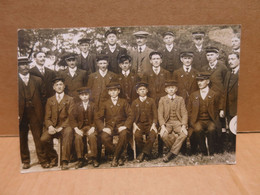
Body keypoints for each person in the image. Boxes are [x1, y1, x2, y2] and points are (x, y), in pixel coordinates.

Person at [18, 57, 49, 169]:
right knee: (22, 138)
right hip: (20, 114)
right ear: (18, 67)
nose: (25, 66)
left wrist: (42, 112)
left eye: (27, 64)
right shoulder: (13, 80)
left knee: (38, 137)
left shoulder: (37, 80)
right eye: (22, 64)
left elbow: (44, 97)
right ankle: (26, 160)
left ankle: (43, 160)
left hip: (35, 113)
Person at [95, 82, 134, 167]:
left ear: (118, 91)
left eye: (115, 90)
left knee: (124, 134)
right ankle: (118, 157)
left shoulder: (124, 102)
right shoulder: (105, 103)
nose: (113, 92)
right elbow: (98, 118)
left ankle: (115, 158)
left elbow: (131, 115)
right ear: (108, 92)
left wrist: (125, 126)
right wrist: (103, 128)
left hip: (121, 126)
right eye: (111, 91)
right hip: (109, 127)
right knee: (104, 137)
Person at [40, 77, 74, 170]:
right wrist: (50, 126)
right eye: (57, 85)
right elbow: (47, 117)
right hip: (53, 126)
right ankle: (54, 157)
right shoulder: (50, 100)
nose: (59, 87)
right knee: (43, 139)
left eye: (61, 84)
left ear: (64, 86)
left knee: (68, 133)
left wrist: (62, 127)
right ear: (53, 87)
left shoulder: (70, 99)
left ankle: (64, 161)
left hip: (65, 126)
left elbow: (71, 117)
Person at [187, 72, 221, 156]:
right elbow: (189, 111)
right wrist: (192, 121)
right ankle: (204, 152)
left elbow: (216, 109)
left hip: (210, 120)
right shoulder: (193, 95)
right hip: (198, 120)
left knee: (212, 129)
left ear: (208, 81)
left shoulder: (214, 94)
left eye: (202, 80)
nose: (199, 83)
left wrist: (215, 119)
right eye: (198, 81)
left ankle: (211, 151)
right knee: (198, 129)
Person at [158, 80, 188, 162]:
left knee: (184, 134)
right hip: (167, 123)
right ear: (166, 90)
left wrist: (184, 125)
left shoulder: (180, 99)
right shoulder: (162, 99)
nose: (171, 90)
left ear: (176, 89)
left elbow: (184, 113)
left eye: (173, 88)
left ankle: (171, 153)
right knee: (163, 135)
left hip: (178, 122)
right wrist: (163, 126)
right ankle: (176, 152)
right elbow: (160, 114)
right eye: (169, 88)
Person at [69, 87, 99, 168]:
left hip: (91, 127)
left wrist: (93, 127)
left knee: (92, 137)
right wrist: (76, 129)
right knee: (78, 137)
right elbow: (72, 118)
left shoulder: (93, 105)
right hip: (80, 127)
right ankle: (80, 159)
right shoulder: (76, 106)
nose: (84, 96)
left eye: (86, 94)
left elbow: (97, 118)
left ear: (89, 95)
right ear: (80, 96)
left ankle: (94, 158)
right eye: (82, 95)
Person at [131, 81, 158, 162]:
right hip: (139, 124)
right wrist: (134, 125)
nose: (142, 91)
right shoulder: (134, 102)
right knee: (137, 136)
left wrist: (154, 125)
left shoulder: (151, 101)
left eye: (144, 89)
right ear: (137, 91)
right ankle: (146, 153)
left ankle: (142, 154)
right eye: (140, 89)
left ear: (147, 91)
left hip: (149, 124)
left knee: (152, 135)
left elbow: (155, 115)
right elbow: (131, 116)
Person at [220, 52, 240, 151]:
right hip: (228, 107)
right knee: (231, 127)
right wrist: (222, 108)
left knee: (238, 128)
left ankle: (239, 147)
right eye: (229, 59)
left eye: (233, 59)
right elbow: (224, 92)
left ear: (239, 60)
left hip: (238, 107)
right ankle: (232, 147)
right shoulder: (228, 73)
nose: (230, 61)